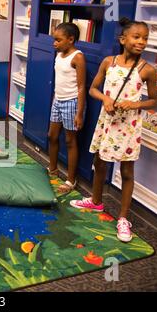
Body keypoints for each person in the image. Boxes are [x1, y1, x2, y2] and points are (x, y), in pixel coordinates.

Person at [70, 18, 157, 243]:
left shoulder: (147, 70)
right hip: (107, 122)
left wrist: (135, 104)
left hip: (129, 127)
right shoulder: (108, 62)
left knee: (127, 171)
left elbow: (153, 102)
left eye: (145, 38)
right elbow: (92, 89)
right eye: (136, 37)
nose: (141, 42)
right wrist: (106, 99)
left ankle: (122, 218)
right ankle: (97, 201)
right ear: (123, 39)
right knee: (99, 162)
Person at [48, 22, 86, 194]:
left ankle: (71, 180)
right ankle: (53, 169)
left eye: (58, 40)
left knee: (70, 141)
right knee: (52, 136)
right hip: (58, 100)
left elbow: (81, 87)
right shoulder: (59, 54)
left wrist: (79, 113)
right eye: (54, 39)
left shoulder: (78, 57)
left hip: (71, 102)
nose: (54, 43)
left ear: (71, 39)